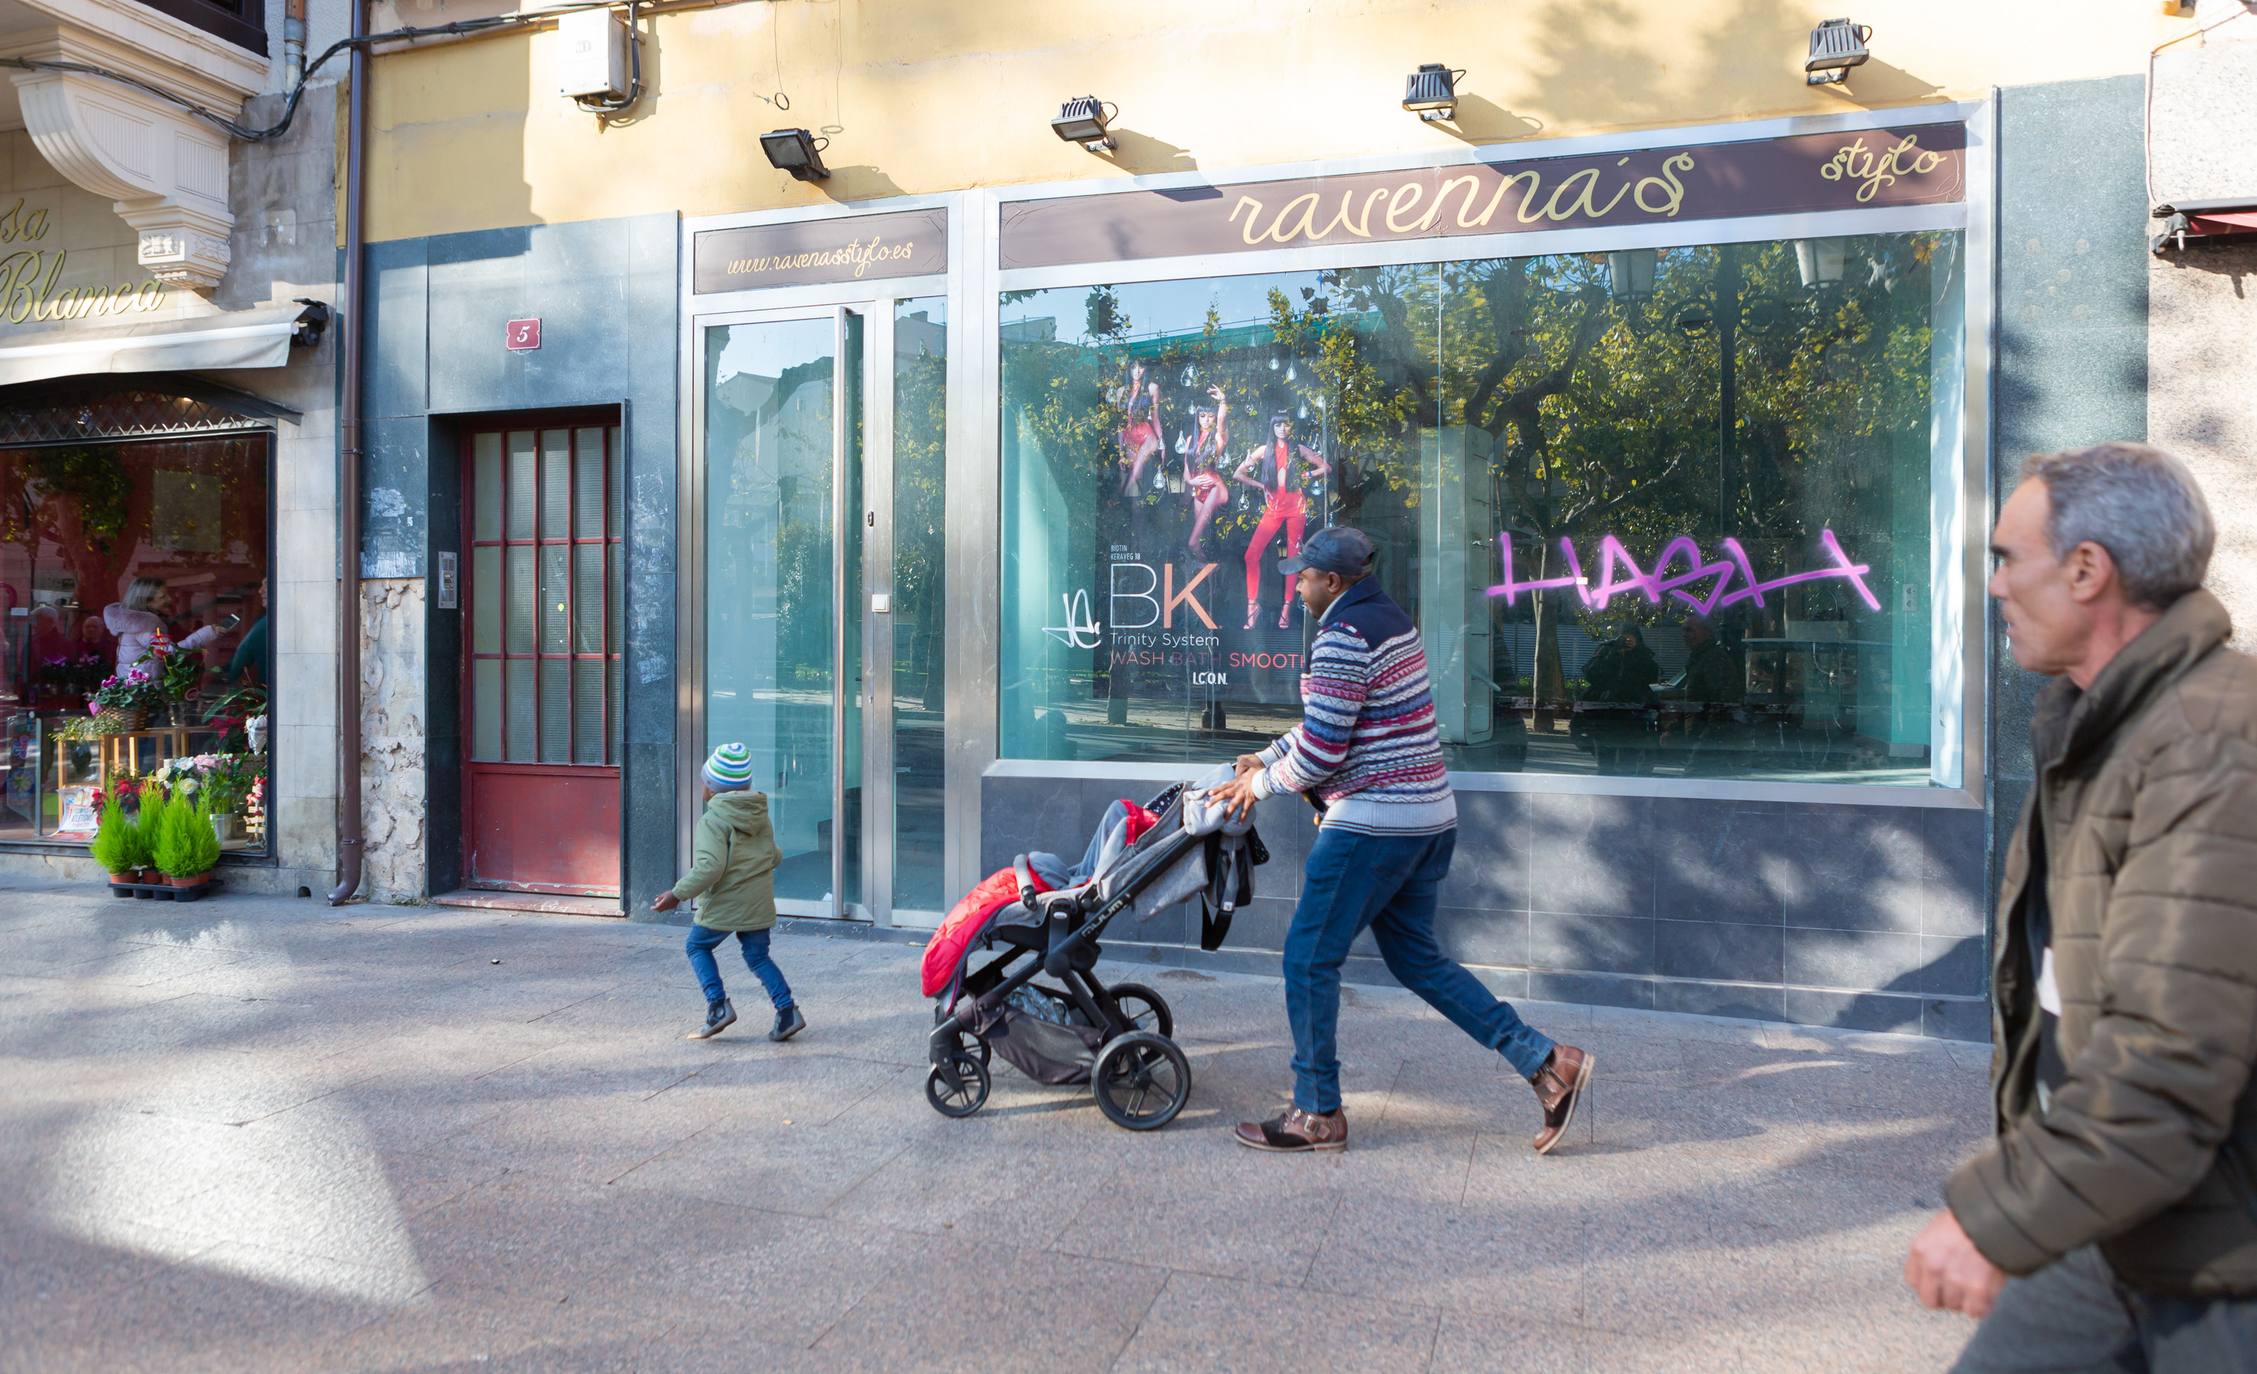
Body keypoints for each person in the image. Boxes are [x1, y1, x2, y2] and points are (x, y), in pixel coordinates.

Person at [1903, 443, 2257, 1372]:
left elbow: (2171, 1057)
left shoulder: (2215, 743)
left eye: (2005, 559)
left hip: (2225, 1245)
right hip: (2120, 1211)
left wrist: (1999, 1217)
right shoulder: (2097, 726)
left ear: (2087, 570)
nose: (1994, 587)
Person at [1207, 526, 1592, 1155]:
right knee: (1417, 959)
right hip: (1428, 819)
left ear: (1334, 582)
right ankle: (1547, 1063)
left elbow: (1327, 747)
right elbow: (1335, 724)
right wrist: (1271, 754)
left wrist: (1264, 783)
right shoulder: (1389, 620)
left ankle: (1316, 1113)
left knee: (1308, 959)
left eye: (1303, 576)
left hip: (1375, 824)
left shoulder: (1340, 635)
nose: (1297, 584)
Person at [652, 742, 807, 1043]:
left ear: (710, 788)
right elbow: (774, 855)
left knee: (697, 947)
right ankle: (787, 1012)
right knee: (758, 957)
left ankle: (717, 1006)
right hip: (758, 900)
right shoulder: (759, 815)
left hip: (725, 902)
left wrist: (677, 893)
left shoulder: (713, 820)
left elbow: (710, 868)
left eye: (704, 782)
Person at [1233, 412, 1331, 630]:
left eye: (1286, 425)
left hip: (1296, 506)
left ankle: (1286, 608)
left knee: (1293, 558)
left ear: (1290, 428)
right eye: (1278, 425)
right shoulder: (1263, 450)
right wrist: (1262, 486)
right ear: (1273, 427)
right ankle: (1252, 605)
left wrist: (1305, 476)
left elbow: (1326, 468)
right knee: (1251, 554)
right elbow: (1238, 474)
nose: (1282, 429)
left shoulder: (1299, 449)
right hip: (1274, 507)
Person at [1579, 625, 1658, 776]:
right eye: (1623, 637)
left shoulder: (1642, 654)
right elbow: (1591, 674)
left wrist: (1636, 652)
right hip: (1606, 716)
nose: (1626, 640)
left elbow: (1652, 675)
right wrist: (1613, 653)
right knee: (1605, 764)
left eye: (1630, 637)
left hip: (1633, 716)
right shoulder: (1606, 650)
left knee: (1628, 763)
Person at [103, 577, 222, 675]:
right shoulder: (145, 626)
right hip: (146, 692)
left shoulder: (137, 624)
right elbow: (171, 653)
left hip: (139, 688)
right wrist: (206, 633)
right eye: (162, 597)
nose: (169, 599)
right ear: (146, 601)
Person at [1674, 616, 1744, 775]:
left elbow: (1722, 702)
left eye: (1690, 630)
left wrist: (1706, 738)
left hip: (1711, 737)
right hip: (1704, 735)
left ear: (1706, 632)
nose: (1685, 635)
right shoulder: (1699, 658)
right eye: (1683, 630)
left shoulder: (1714, 659)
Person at [1181, 384, 1230, 560]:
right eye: (1202, 416)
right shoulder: (1190, 440)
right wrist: (1192, 482)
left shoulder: (1217, 437)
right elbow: (1187, 471)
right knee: (1202, 539)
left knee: (1193, 541)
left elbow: (1222, 426)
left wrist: (1223, 401)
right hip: (1199, 490)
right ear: (1197, 418)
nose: (1206, 420)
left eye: (1210, 416)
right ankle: (1208, 573)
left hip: (1215, 487)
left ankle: (1208, 567)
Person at [1117, 359, 1165, 497]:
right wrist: (1121, 452)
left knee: (1137, 474)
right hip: (1130, 436)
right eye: (1133, 367)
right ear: (1128, 369)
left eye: (1141, 367)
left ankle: (1122, 494)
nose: (1137, 371)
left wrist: (1162, 444)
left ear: (1146, 369)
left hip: (1146, 434)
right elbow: (1120, 424)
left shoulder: (1152, 388)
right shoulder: (1121, 391)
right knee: (1134, 489)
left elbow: (1155, 418)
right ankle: (1132, 507)